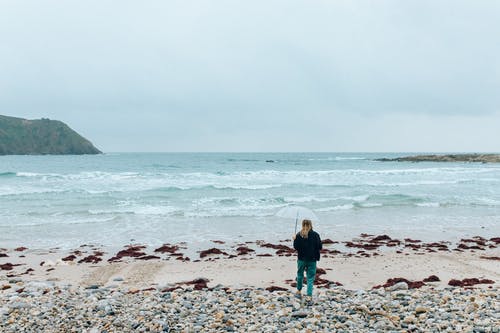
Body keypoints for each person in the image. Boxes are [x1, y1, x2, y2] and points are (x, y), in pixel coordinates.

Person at [292, 219, 322, 302]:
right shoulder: (315, 235)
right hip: (312, 259)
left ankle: (298, 291)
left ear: (302, 225)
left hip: (301, 259)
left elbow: (296, 247)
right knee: (310, 277)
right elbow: (320, 247)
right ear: (311, 225)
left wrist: (294, 239)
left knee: (300, 274)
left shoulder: (298, 235)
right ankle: (309, 295)